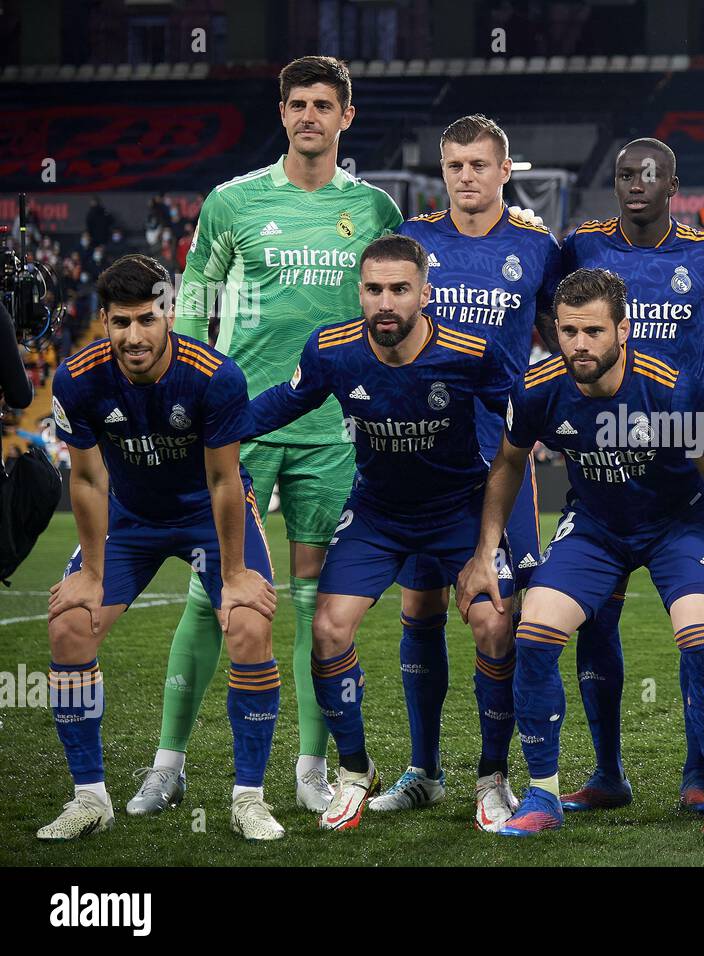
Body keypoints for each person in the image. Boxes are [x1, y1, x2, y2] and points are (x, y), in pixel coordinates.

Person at [128, 56, 405, 818]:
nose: (309, 115)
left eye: (323, 104)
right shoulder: (232, 202)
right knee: (211, 592)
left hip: (334, 431)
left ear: (347, 116)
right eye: (296, 104)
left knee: (318, 603)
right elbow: (192, 309)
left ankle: (310, 769)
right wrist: (179, 397)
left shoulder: (376, 210)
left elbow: (394, 310)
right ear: (281, 113)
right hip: (238, 427)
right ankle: (168, 763)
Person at [456, 267, 704, 839]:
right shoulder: (540, 387)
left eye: (593, 331)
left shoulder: (673, 390)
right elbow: (509, 465)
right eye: (568, 331)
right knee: (534, 633)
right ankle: (542, 792)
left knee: (701, 637)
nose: (579, 345)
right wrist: (485, 550)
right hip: (595, 526)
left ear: (624, 329)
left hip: (676, 526)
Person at [241, 234, 520, 831]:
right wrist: (215, 423)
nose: (385, 302)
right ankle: (354, 771)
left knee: (496, 623)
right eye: (373, 289)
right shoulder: (332, 350)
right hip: (378, 514)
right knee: (327, 627)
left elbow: (522, 424)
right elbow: (282, 404)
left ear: (424, 292)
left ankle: (492, 777)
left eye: (399, 289)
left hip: (458, 510)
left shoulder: (472, 351)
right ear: (359, 291)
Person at [41, 254, 281, 840]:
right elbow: (89, 480)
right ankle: (90, 799)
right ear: (104, 321)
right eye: (120, 323)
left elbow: (225, 481)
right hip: (131, 518)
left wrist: (234, 574)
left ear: (169, 314)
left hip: (208, 512)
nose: (133, 336)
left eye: (146, 319)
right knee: (71, 623)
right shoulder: (77, 378)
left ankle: (248, 798)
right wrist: (91, 572)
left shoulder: (214, 376)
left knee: (248, 624)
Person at [380, 115, 563, 817]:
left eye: (480, 164)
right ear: (442, 169)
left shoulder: (536, 246)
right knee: (421, 606)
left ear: (505, 170)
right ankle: (423, 770)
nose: (466, 176)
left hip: (502, 463)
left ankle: (493, 777)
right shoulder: (415, 242)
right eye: (454, 164)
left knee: (495, 619)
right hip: (421, 457)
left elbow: (574, 326)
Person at [556, 137, 704, 813]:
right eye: (625, 173)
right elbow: (561, 317)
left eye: (650, 174)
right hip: (602, 459)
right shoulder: (582, 247)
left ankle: (699, 772)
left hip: (682, 463)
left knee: (696, 626)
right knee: (592, 620)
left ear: (673, 184)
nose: (636, 184)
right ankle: (608, 773)